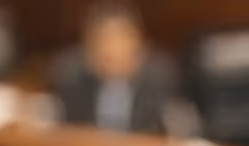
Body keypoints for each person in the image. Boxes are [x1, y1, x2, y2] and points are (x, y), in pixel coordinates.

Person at [48, 2, 180, 135]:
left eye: (120, 39)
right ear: (88, 46)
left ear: (139, 41)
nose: (112, 50)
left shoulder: (161, 79)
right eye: (103, 40)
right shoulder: (70, 76)